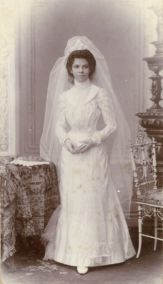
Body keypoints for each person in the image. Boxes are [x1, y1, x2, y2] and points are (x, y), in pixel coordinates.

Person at [40, 36, 135, 274]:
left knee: (94, 198)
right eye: (77, 67)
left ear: (91, 68)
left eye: (85, 66)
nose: (81, 71)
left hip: (93, 153)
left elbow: (111, 125)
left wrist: (92, 140)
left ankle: (100, 254)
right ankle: (73, 253)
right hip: (70, 154)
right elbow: (59, 126)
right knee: (74, 201)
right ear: (70, 70)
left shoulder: (98, 93)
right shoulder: (64, 97)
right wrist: (67, 141)